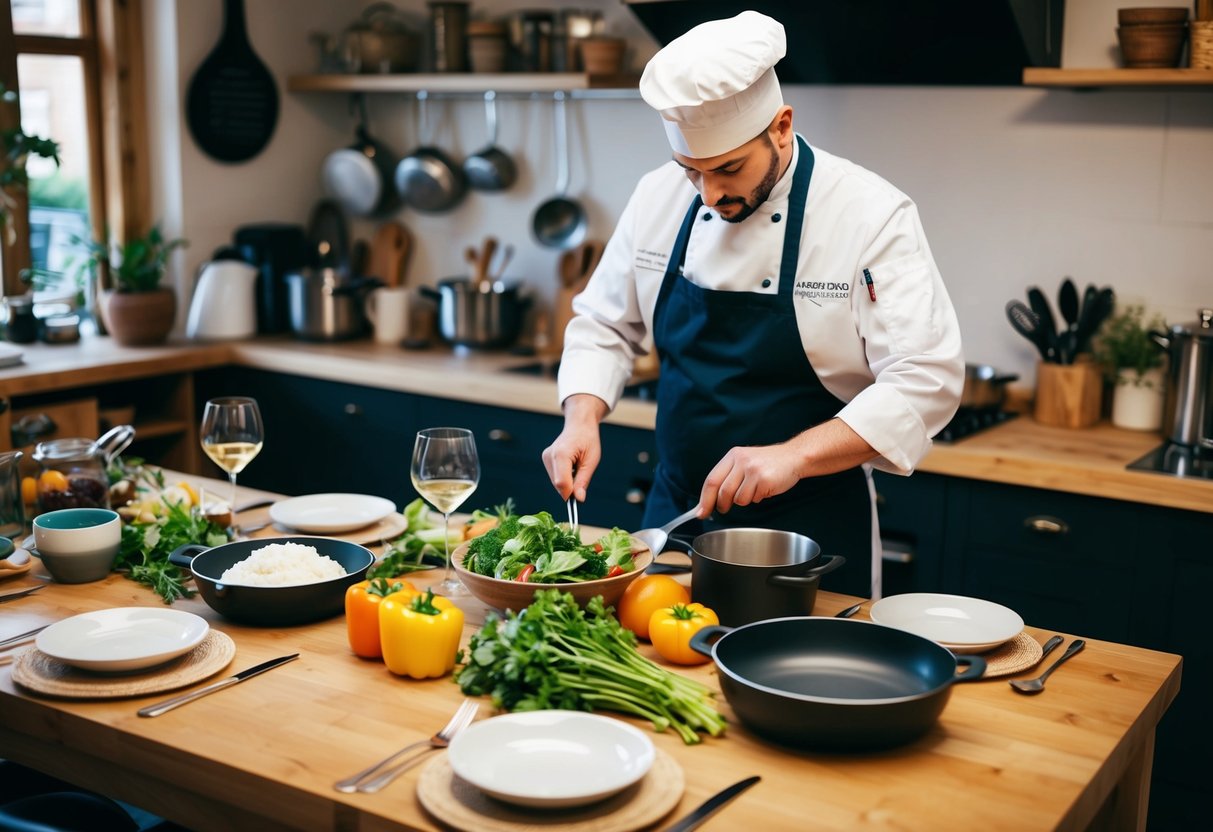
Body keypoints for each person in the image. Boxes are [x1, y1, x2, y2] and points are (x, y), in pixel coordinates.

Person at [541, 11, 963, 597]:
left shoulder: (868, 214)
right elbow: (605, 323)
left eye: (728, 169)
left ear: (782, 127)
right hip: (676, 517)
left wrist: (794, 455)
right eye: (691, 173)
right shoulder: (656, 198)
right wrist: (580, 417)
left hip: (810, 529)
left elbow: (927, 379)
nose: (710, 196)